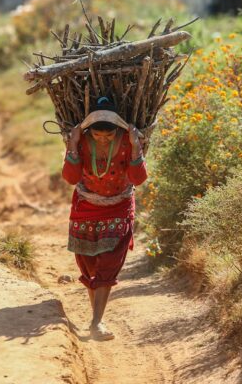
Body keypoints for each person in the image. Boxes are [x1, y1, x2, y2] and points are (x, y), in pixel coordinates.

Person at [61, 97, 147, 341]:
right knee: (89, 263)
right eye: (97, 135)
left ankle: (96, 322)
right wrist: (74, 144)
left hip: (118, 208)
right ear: (89, 132)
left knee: (108, 262)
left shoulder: (128, 142)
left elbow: (138, 179)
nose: (102, 139)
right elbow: (70, 177)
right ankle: (96, 317)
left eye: (108, 137)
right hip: (86, 207)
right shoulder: (82, 142)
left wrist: (135, 146)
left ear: (118, 130)